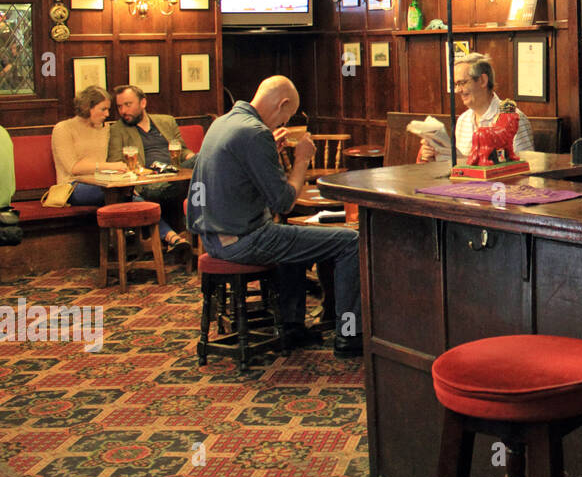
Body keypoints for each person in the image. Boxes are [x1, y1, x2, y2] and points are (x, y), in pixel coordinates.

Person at [187, 75, 361, 358]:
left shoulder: (224, 122)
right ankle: (350, 336)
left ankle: (292, 326)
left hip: (213, 237)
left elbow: (245, 174)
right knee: (350, 240)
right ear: (282, 104)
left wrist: (270, 149)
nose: (284, 124)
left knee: (293, 240)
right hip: (244, 240)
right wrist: (303, 159)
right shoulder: (254, 133)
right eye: (287, 116)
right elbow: (284, 202)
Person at [107, 85, 192, 252]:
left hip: (177, 177)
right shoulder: (118, 129)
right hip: (149, 184)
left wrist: (191, 157)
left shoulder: (166, 121)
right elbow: (115, 161)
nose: (123, 110)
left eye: (128, 104)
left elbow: (182, 151)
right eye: (119, 106)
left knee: (204, 159)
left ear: (143, 103)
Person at [417, 52, 535, 162]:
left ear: (483, 80)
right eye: (455, 84)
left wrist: (464, 160)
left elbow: (527, 167)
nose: (457, 90)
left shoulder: (513, 117)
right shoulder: (463, 119)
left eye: (462, 83)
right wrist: (435, 158)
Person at [50, 85, 128, 207]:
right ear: (87, 107)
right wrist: (111, 166)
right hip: (72, 186)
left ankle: (160, 226)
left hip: (102, 182)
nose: (107, 114)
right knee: (119, 195)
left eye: (108, 109)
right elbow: (73, 168)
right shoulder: (63, 129)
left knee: (129, 193)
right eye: (103, 109)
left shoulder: (105, 129)